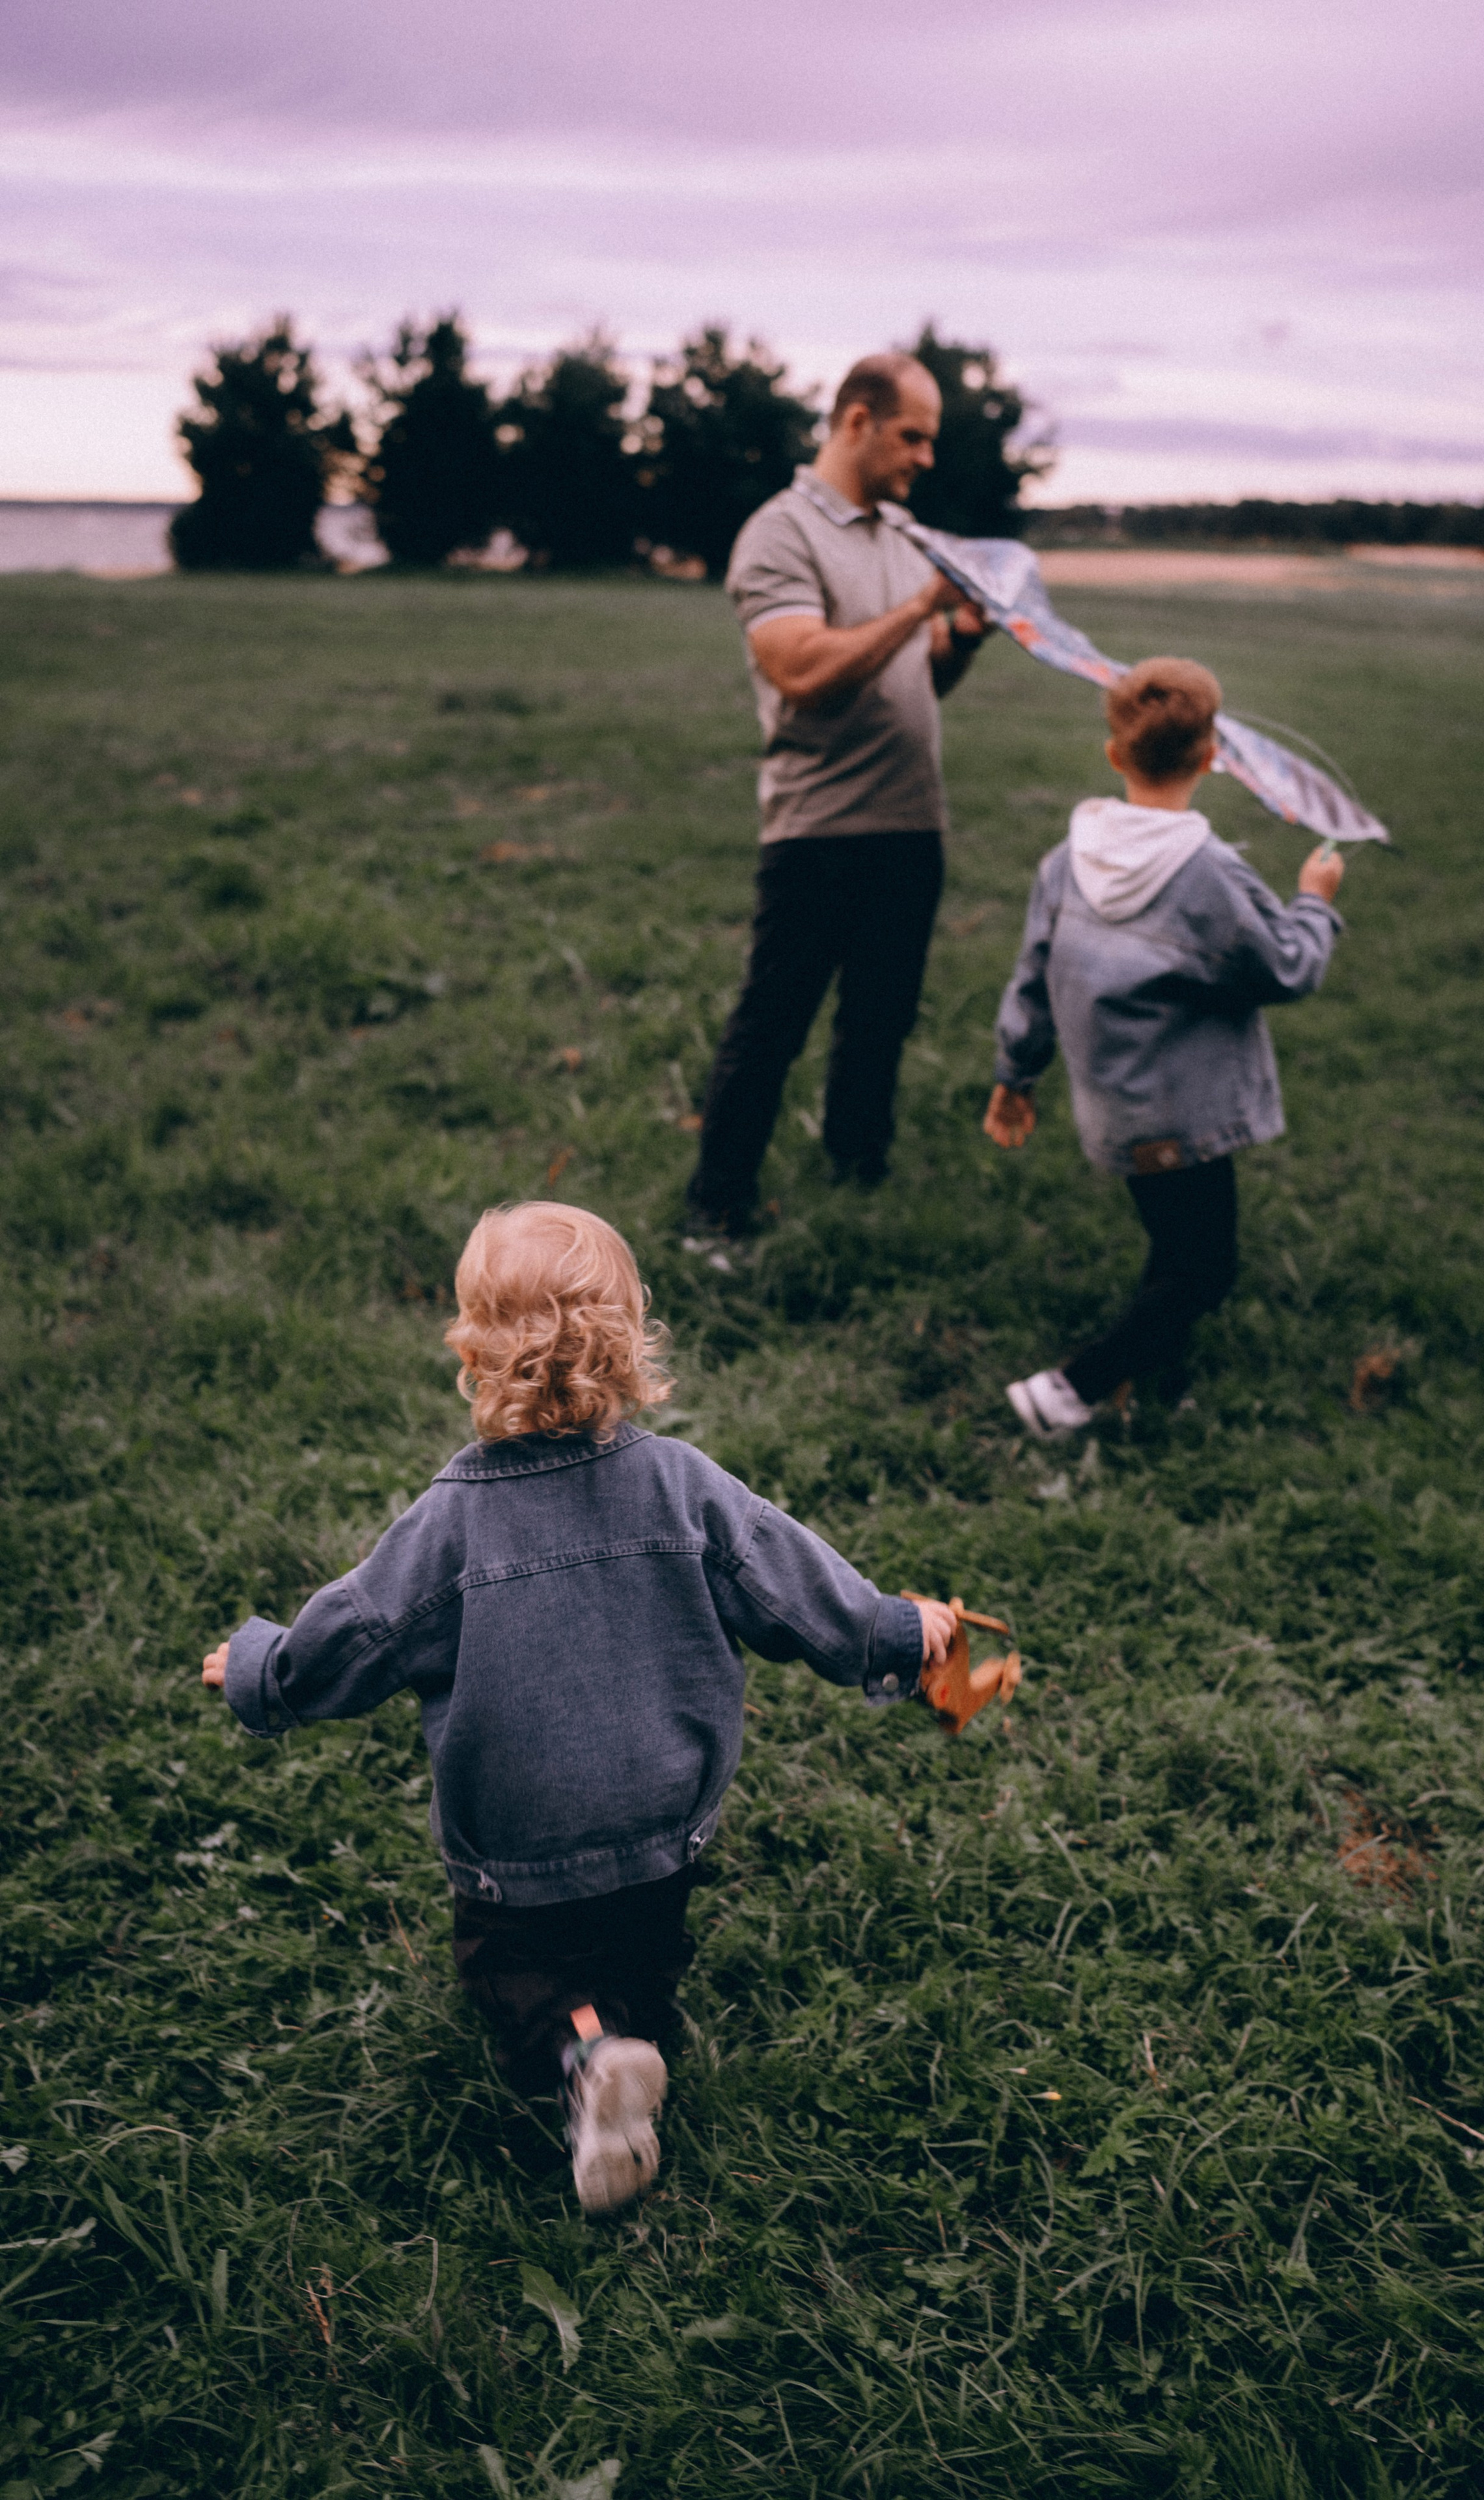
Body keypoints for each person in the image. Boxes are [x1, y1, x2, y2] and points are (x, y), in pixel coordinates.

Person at [197, 1200, 957, 2214]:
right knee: (642, 1949)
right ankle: (631, 2027)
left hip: (520, 1844)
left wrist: (262, 1671)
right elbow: (797, 1589)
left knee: (515, 1973)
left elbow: (360, 1633)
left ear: (474, 1356)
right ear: (630, 1341)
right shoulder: (686, 1486)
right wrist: (901, 1637)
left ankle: (583, 2053)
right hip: (660, 1823)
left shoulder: (450, 1522)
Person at [983, 657, 1345, 1436]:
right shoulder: (1210, 875)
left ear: (1115, 755)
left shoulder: (1064, 861)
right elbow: (1286, 967)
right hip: (1189, 1116)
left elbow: (1031, 979)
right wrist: (1314, 902)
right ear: (1212, 757)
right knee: (1205, 1270)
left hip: (1114, 1110)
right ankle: (1066, 1392)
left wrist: (1015, 1074)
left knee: (1175, 1247)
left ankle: (1159, 1379)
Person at [684, 352, 988, 1238]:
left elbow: (915, 675)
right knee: (773, 1024)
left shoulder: (901, 534)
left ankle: (858, 1177)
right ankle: (717, 1211)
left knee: (880, 1021)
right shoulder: (779, 533)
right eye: (913, 436)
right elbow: (805, 670)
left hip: (910, 822)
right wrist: (919, 607)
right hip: (819, 828)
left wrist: (961, 636)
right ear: (856, 421)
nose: (927, 457)